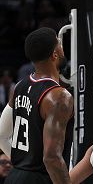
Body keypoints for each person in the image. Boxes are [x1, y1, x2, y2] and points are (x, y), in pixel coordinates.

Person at [0, 27, 73, 184]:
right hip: (40, 178)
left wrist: (24, 165)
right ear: (55, 55)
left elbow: (1, 135)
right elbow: (52, 158)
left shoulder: (19, 86)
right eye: (59, 44)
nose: (62, 48)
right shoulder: (59, 96)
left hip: (15, 177)